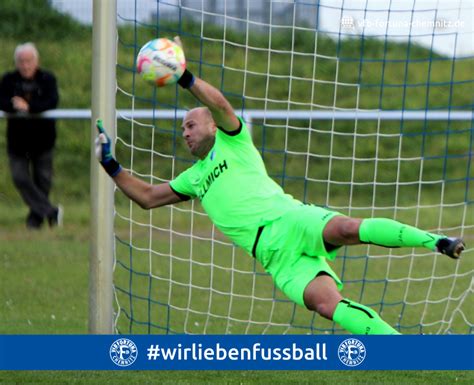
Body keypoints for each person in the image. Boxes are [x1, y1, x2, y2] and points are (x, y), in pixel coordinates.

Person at [95, 41, 465, 335]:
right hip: (274, 257)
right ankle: (399, 348)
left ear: (210, 126)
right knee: (326, 304)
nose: (186, 133)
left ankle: (437, 241)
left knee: (347, 228)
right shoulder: (192, 178)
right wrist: (110, 165)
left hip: (290, 218)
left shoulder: (233, 141)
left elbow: (219, 102)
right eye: (182, 130)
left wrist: (184, 76)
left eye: (191, 125)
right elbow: (145, 198)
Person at [0, 42, 62, 229]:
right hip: (17, 142)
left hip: (43, 141)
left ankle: (35, 221)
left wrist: (29, 107)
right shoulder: (9, 80)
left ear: (36, 61)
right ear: (16, 63)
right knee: (20, 177)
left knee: (43, 180)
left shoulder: (47, 79)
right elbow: (2, 100)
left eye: (29, 61)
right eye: (21, 61)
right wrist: (14, 105)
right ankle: (51, 212)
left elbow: (52, 101)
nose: (25, 65)